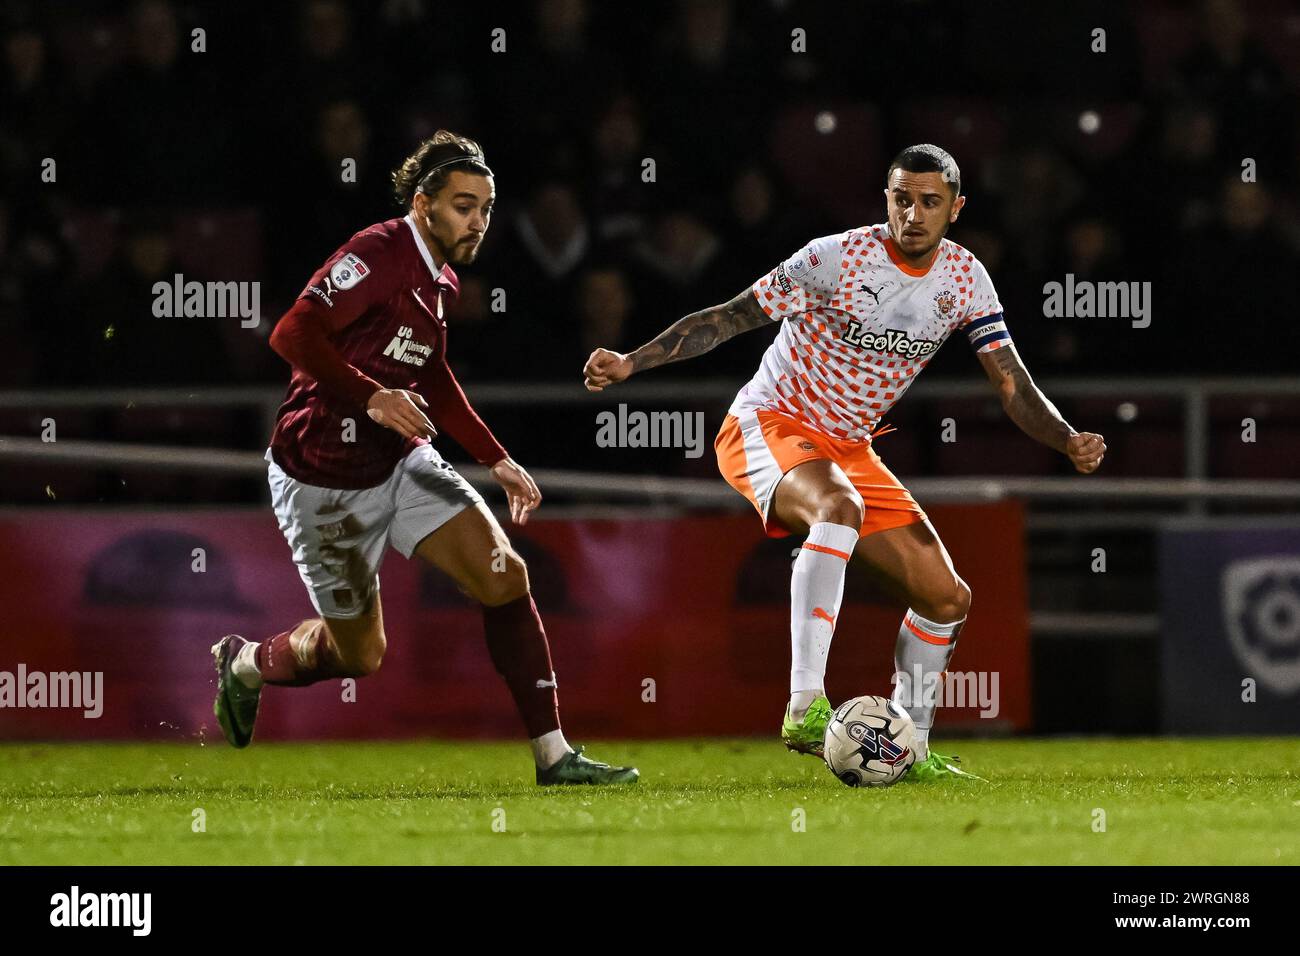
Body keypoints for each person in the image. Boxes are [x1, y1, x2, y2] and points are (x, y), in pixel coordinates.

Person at [583, 144, 1106, 781]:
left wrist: (1065, 438)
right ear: (886, 198)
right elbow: (729, 317)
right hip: (768, 422)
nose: (913, 213)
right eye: (901, 198)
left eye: (929, 202)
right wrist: (634, 361)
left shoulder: (966, 280)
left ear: (956, 209)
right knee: (838, 508)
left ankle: (908, 750)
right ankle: (805, 706)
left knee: (946, 597)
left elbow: (1009, 382)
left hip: (849, 447)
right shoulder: (834, 259)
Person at [212, 130, 638, 786]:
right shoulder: (378, 252)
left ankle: (554, 756)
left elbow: (433, 374)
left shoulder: (440, 278)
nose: (479, 221)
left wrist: (496, 458)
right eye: (465, 205)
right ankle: (245, 663)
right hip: (318, 478)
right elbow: (291, 331)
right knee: (358, 655)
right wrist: (373, 396)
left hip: (397, 463)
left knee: (505, 576)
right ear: (423, 205)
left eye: (488, 208)